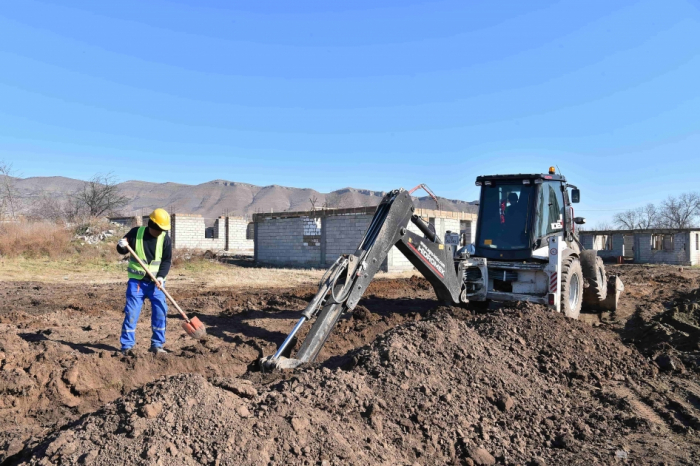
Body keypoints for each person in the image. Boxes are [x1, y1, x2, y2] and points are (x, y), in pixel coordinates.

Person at [116, 208, 173, 355]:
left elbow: (166, 261)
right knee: (131, 313)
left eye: (163, 229)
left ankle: (157, 345)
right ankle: (127, 346)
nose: (161, 231)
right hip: (137, 283)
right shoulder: (136, 233)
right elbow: (123, 250)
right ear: (151, 224)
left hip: (157, 284)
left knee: (160, 312)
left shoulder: (165, 239)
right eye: (159, 228)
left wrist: (160, 277)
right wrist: (121, 246)